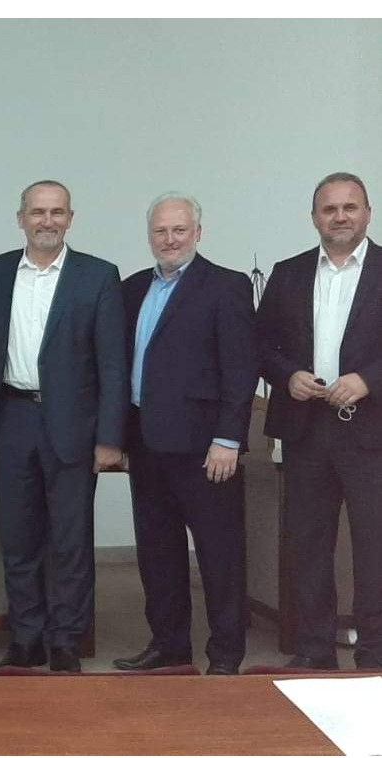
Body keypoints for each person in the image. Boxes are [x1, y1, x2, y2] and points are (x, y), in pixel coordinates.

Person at [0, 180, 127, 672]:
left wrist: (109, 438)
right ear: (20, 217)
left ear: (70, 218)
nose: (47, 221)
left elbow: (112, 364)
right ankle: (26, 638)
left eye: (56, 212)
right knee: (18, 540)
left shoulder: (98, 276)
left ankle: (65, 640)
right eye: (37, 212)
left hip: (73, 427)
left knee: (70, 541)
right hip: (13, 419)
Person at [114, 193, 257, 676]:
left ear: (198, 231)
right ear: (149, 235)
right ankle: (170, 645)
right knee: (159, 554)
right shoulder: (132, 289)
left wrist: (229, 439)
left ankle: (225, 654)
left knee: (219, 555)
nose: (170, 239)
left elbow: (241, 369)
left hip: (205, 449)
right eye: (160, 231)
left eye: (179, 230)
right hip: (146, 445)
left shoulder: (227, 286)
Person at [259, 171, 381, 670]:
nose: (340, 216)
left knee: (374, 544)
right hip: (307, 428)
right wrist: (286, 375)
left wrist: (370, 379)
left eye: (349, 207)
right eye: (329, 208)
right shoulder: (287, 273)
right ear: (314, 218)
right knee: (308, 544)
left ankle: (374, 649)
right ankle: (313, 649)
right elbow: (260, 344)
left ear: (367, 213)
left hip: (371, 429)